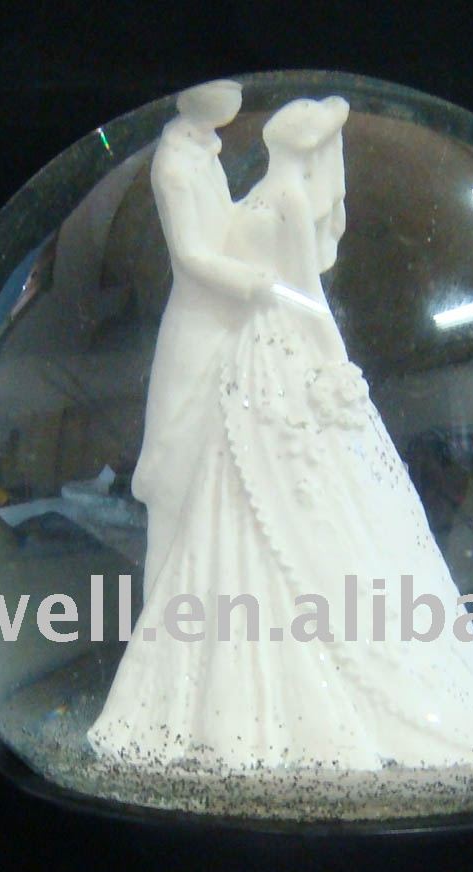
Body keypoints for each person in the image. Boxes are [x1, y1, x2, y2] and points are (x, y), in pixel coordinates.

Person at [90, 95, 473, 783]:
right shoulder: (239, 181)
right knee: (242, 502)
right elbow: (236, 267)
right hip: (249, 353)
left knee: (285, 508)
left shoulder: (287, 200)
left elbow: (308, 297)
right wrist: (266, 296)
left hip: (272, 353)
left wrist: (331, 366)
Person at [131, 79, 274, 598]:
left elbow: (225, 223)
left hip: (231, 317)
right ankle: (163, 602)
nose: (236, 94)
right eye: (225, 87)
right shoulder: (173, 164)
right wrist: (251, 281)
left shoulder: (207, 151)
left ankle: (220, 593)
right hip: (198, 323)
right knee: (177, 458)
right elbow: (191, 254)